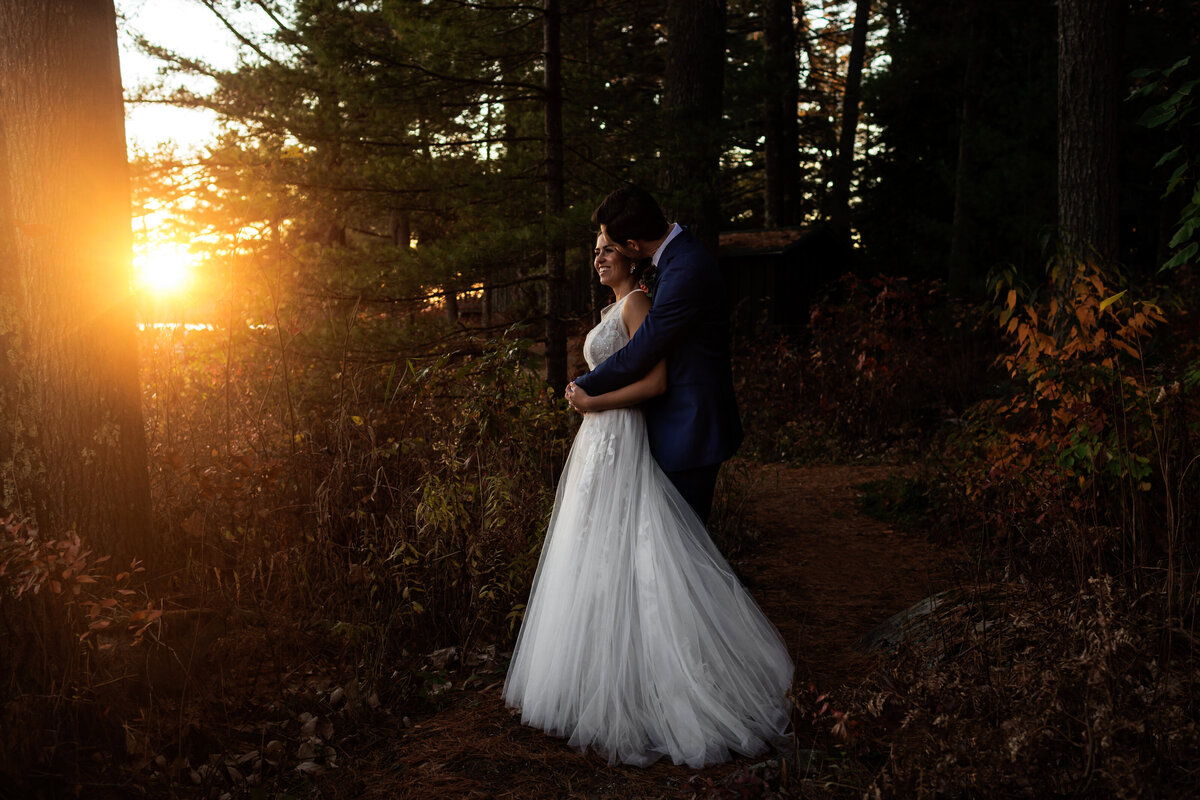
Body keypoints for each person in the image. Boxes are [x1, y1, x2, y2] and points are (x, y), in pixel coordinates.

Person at [502, 222, 793, 768]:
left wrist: (594, 404)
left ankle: (661, 689)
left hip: (617, 433)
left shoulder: (637, 304)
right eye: (594, 251)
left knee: (634, 550)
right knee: (596, 555)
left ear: (633, 255)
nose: (600, 258)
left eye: (609, 249)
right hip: (599, 440)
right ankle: (600, 678)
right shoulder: (616, 308)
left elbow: (656, 382)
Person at [567, 186, 743, 524]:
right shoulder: (676, 259)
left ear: (632, 247)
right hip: (671, 424)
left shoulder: (685, 269)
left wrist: (583, 386)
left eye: (612, 247)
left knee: (683, 545)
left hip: (690, 426)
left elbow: (641, 351)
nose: (603, 256)